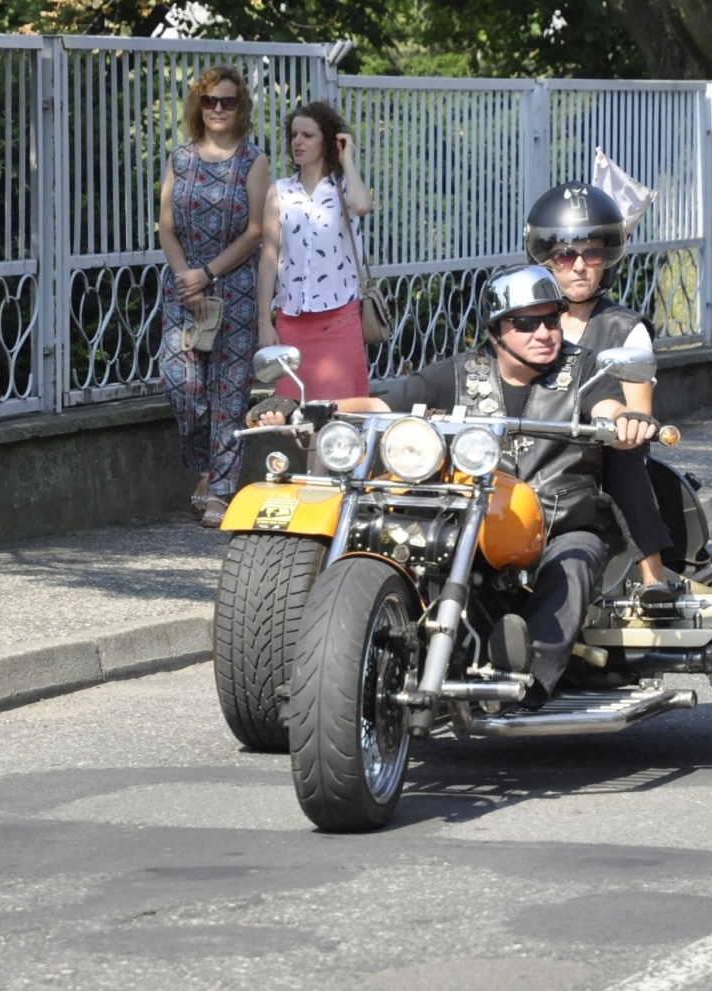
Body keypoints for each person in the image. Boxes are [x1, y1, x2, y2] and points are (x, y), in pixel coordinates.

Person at [252, 265, 658, 706]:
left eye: (551, 320)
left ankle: (527, 681)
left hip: (559, 522)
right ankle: (353, 661)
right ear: (496, 331)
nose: (543, 333)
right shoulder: (459, 372)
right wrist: (307, 407)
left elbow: (610, 407)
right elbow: (379, 404)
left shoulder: (586, 371)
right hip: (475, 521)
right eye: (525, 322)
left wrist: (623, 421)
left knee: (576, 560)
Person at [526, 181, 677, 614]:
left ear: (607, 258)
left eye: (591, 253)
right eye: (565, 255)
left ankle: (654, 576)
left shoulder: (624, 328)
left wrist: (625, 423)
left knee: (622, 452)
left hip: (591, 452)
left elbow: (638, 418)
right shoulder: (524, 320)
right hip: (532, 441)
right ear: (546, 259)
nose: (578, 266)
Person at [157, 65, 271, 528]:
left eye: (227, 101)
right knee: (181, 381)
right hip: (183, 289)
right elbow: (166, 228)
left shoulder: (252, 160)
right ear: (198, 107)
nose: (218, 109)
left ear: (239, 107)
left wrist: (208, 274)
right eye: (210, 101)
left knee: (229, 390)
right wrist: (188, 278)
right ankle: (207, 466)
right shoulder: (180, 159)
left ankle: (221, 487)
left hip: (235, 287)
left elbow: (256, 232)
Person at [257, 101, 374, 403]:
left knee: (343, 415)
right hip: (292, 322)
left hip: (340, 320)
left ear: (328, 140)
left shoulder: (344, 187)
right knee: (298, 416)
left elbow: (362, 206)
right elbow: (269, 258)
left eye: (307, 135)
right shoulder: (279, 191)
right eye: (294, 135)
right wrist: (263, 321)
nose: (298, 141)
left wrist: (347, 159)